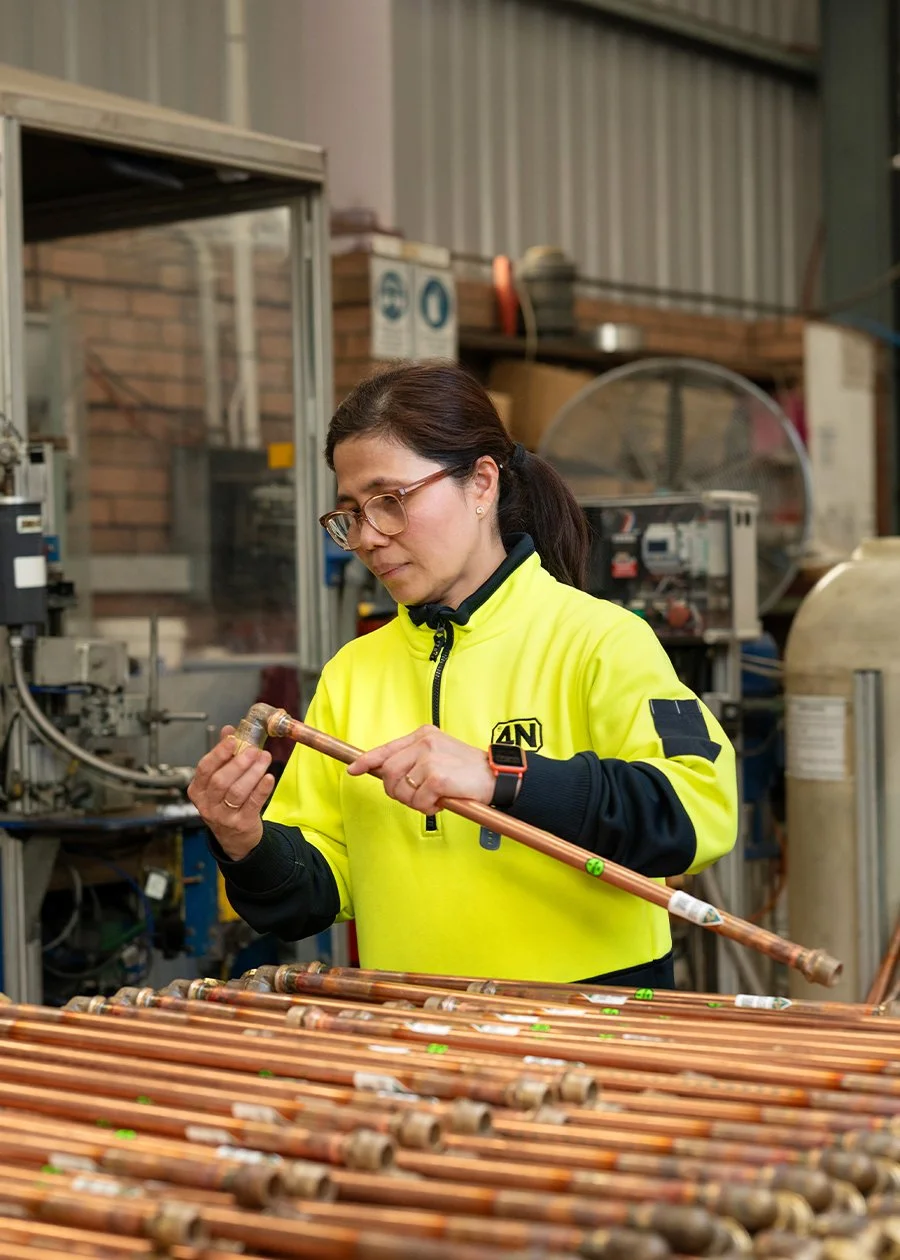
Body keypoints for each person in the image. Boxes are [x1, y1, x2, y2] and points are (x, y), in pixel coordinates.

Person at [189, 361, 738, 989]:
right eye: (351, 514)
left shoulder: (599, 640)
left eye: (390, 502)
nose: (368, 537)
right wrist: (245, 841)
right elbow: (318, 892)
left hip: (589, 1036)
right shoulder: (351, 673)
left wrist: (502, 777)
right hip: (414, 1032)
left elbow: (699, 814)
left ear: (481, 484)